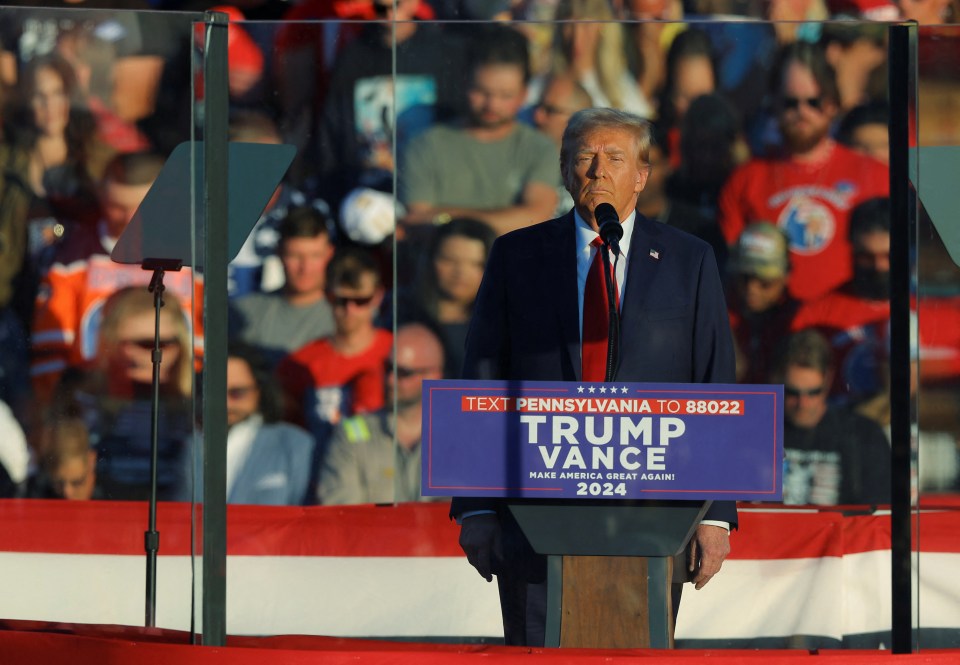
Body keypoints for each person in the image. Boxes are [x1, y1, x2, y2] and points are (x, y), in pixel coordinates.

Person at [451, 108, 737, 647]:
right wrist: (479, 504)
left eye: (615, 158)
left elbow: (713, 382)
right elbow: (483, 379)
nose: (597, 171)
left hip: (654, 507)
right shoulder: (518, 256)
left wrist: (715, 514)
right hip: (536, 506)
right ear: (564, 170)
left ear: (643, 175)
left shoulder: (688, 260)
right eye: (584, 157)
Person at [717, 41, 889, 303]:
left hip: (848, 331)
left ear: (832, 103)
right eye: (790, 103)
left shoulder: (875, 175)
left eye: (814, 102)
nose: (802, 112)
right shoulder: (745, 180)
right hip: (771, 331)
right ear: (774, 104)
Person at [30, 150, 203, 404]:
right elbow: (49, 355)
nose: (129, 219)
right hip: (94, 403)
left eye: (142, 208)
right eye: (117, 207)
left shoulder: (193, 258)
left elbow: (201, 347)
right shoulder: (72, 259)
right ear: (102, 196)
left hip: (177, 403)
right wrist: (64, 415)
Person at [398, 24, 559, 236]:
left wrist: (443, 217)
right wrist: (509, 218)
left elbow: (537, 218)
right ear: (465, 82)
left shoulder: (540, 149)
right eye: (481, 91)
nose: (492, 105)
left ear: (524, 94)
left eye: (505, 95)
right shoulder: (424, 145)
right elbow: (417, 222)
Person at [277, 246, 392, 459]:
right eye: (341, 300)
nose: (350, 311)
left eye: (360, 301)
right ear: (328, 296)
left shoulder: (397, 355)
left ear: (378, 296)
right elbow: (286, 439)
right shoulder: (298, 364)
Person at [319, 321, 445, 505]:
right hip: (369, 535)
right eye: (388, 368)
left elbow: (468, 519)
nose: (390, 380)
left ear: (434, 376)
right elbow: (342, 516)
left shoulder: (461, 437)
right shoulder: (350, 433)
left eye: (403, 372)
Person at [791, 197, 891, 405]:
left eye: (889, 256)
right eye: (866, 256)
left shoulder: (931, 306)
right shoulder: (815, 315)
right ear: (851, 249)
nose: (879, 267)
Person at [774, 329, 891, 506]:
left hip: (841, 533)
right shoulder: (757, 435)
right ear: (778, 380)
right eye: (792, 393)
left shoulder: (864, 436)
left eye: (813, 392)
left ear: (828, 380)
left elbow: (877, 515)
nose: (802, 403)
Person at [230, 205, 336, 369]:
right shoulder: (244, 313)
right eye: (295, 256)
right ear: (279, 252)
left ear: (329, 254)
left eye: (315, 256)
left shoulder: (350, 314)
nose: (305, 268)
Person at [401, 217, 495, 378]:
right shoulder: (401, 315)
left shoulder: (502, 328)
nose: (460, 273)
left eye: (475, 264)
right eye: (449, 260)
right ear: (430, 260)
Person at [224, 343, 316, 506]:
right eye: (218, 393)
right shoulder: (191, 443)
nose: (227, 403)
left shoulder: (295, 444)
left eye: (237, 393)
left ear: (259, 389)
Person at [726, 222, 799, 385]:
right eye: (744, 278)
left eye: (765, 281)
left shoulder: (801, 319)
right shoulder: (715, 315)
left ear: (786, 275)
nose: (752, 288)